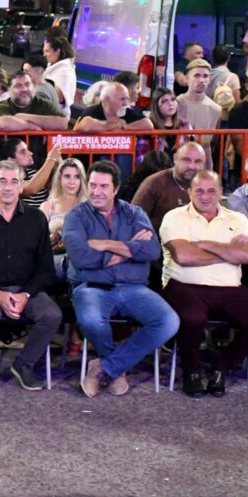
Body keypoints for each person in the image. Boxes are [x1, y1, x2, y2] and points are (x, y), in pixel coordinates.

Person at [63, 161, 179, 397]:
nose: (96, 191)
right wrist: (129, 250)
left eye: (104, 186)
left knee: (169, 321)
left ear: (115, 189)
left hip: (133, 287)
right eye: (93, 185)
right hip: (91, 287)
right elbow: (80, 257)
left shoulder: (134, 213)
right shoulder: (76, 216)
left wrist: (105, 245)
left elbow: (152, 251)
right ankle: (115, 370)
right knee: (93, 321)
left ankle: (106, 368)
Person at [159, 170, 248, 397]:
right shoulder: (174, 216)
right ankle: (191, 370)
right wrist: (230, 251)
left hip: (230, 288)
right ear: (189, 192)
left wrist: (202, 244)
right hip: (183, 284)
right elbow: (184, 256)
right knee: (192, 318)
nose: (205, 196)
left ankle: (221, 366)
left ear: (221, 193)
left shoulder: (237, 219)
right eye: (199, 190)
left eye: (212, 191)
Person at [0, 159, 62, 390]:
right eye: (2, 181)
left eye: (14, 181)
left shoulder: (36, 219)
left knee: (51, 315)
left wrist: (26, 294)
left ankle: (24, 364)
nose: (8, 187)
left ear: (21, 186)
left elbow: (45, 268)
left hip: (26, 289)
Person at [132, 142, 206, 234]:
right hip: (158, 242)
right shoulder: (154, 183)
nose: (191, 166)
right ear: (175, 158)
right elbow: (133, 220)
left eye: (197, 161)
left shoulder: (207, 185)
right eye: (186, 160)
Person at [40, 158, 87, 282]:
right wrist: (53, 238)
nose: (72, 181)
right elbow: (37, 241)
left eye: (76, 177)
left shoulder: (89, 207)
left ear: (81, 180)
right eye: (67, 176)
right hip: (56, 256)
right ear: (59, 179)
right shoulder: (48, 206)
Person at [0, 137, 60, 209]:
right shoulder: (9, 179)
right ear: (10, 160)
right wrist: (51, 159)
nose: (30, 153)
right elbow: (31, 189)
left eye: (28, 150)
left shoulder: (33, 173)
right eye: (23, 152)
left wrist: (58, 161)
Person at [0, 70, 69, 133]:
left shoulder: (44, 104)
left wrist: (23, 117)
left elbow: (63, 124)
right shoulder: (2, 106)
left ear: (34, 87)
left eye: (27, 84)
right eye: (18, 86)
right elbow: (3, 124)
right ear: (8, 89)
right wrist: (33, 128)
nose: (24, 89)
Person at [74, 82, 153, 133]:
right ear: (107, 99)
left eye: (127, 98)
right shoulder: (93, 111)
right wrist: (113, 125)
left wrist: (125, 127)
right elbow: (84, 126)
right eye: (122, 99)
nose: (126, 103)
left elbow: (148, 124)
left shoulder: (125, 111)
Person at [176, 59, 221, 131]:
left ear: (209, 80)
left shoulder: (216, 109)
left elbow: (214, 140)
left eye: (205, 76)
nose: (201, 80)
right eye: (197, 75)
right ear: (187, 79)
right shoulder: (176, 104)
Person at [148, 87, 193, 153]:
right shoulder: (150, 126)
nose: (171, 104)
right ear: (156, 105)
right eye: (165, 101)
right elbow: (142, 157)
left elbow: (191, 151)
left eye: (173, 99)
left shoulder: (185, 125)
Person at [42, 35, 76, 116]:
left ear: (57, 51)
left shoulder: (65, 71)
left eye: (47, 51)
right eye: (44, 51)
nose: (44, 54)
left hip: (56, 116)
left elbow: (59, 98)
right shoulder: (53, 67)